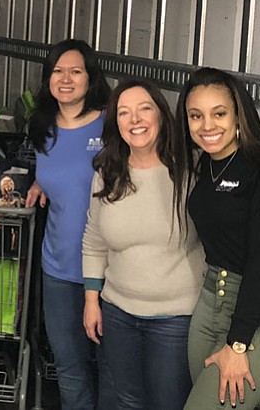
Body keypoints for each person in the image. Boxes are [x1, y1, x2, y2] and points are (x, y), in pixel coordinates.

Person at [82, 80, 205, 409]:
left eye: (144, 108)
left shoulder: (192, 170)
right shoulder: (108, 172)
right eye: (124, 112)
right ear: (116, 123)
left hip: (176, 319)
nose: (134, 119)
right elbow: (94, 241)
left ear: (161, 115)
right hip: (118, 312)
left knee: (169, 403)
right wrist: (92, 300)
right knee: (127, 402)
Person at [26, 38, 113, 410]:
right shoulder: (42, 127)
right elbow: (56, 173)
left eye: (75, 71)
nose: (65, 79)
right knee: (70, 368)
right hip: (59, 268)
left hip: (112, 273)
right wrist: (38, 182)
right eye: (57, 71)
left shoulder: (112, 126)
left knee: (112, 369)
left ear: (90, 78)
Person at [175, 67, 260, 410]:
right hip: (209, 304)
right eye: (196, 116)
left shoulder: (255, 167)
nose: (207, 126)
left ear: (238, 113)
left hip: (251, 316)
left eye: (219, 113)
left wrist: (238, 343)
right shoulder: (205, 165)